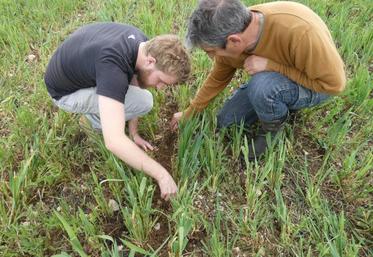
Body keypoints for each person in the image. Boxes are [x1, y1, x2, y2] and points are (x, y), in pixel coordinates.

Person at [171, 0, 346, 160]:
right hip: (273, 80)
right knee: (226, 122)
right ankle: (275, 100)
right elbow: (218, 77)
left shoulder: (300, 31)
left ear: (234, 41)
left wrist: (273, 66)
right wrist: (191, 112)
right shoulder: (234, 30)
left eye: (211, 51)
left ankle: (272, 129)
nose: (211, 57)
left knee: (262, 87)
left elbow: (334, 85)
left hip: (317, 86)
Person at [45, 22, 191, 200]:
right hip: (65, 93)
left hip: (79, 67)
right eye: (161, 80)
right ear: (151, 61)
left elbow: (135, 83)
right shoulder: (113, 68)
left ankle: (103, 111)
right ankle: (92, 123)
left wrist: (134, 133)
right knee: (143, 103)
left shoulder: (143, 44)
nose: (160, 88)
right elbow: (113, 141)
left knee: (141, 98)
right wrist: (162, 175)